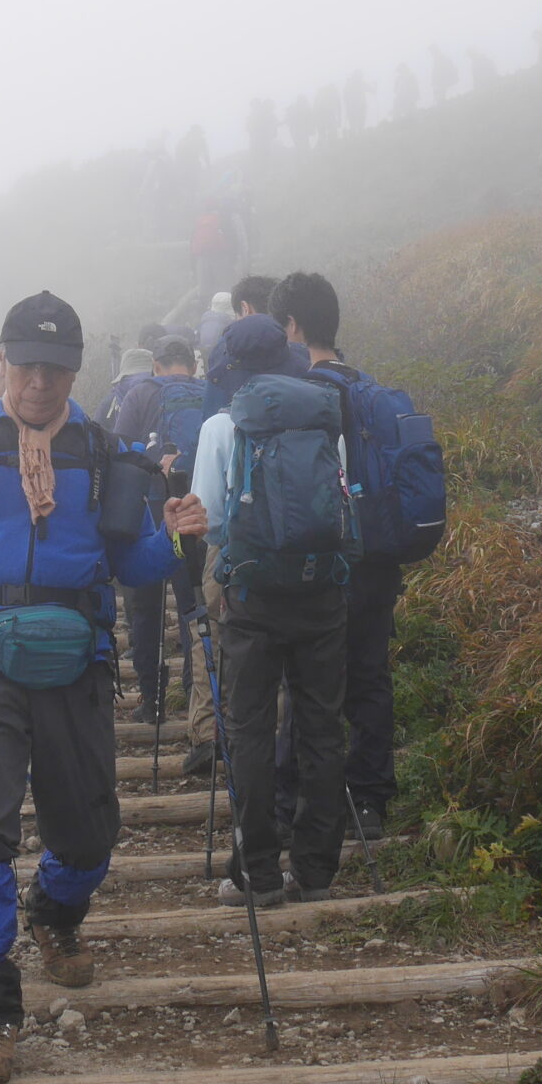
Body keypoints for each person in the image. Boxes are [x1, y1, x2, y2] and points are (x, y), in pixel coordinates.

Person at [0, 291, 207, 1083]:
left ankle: (55, 914)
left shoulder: (103, 453)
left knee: (89, 833)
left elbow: (132, 566)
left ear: (76, 372)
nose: (40, 382)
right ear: (2, 362)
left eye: (57, 368)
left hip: (76, 660)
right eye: (27, 364)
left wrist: (174, 538)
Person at [189, 315, 351, 906]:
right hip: (322, 591)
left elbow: (206, 516)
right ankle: (315, 870)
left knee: (251, 728)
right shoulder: (323, 413)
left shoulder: (221, 424)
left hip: (253, 597)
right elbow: (339, 501)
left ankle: (256, 872)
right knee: (321, 727)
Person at [268, 271, 406, 835]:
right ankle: (370, 801)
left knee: (308, 685)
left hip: (323, 563)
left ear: (293, 326)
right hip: (377, 558)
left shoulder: (302, 396)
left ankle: (297, 803)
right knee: (370, 677)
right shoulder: (371, 389)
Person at [114, 338, 206, 726]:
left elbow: (119, 451)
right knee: (191, 606)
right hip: (193, 510)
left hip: (148, 508)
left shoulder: (138, 394)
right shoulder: (207, 393)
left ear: (156, 364)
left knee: (147, 610)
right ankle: (195, 696)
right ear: (191, 364)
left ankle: (151, 701)